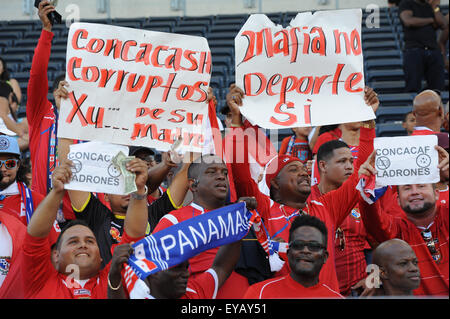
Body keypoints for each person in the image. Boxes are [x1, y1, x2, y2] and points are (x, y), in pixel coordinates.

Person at [226, 84, 377, 293]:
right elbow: (239, 173)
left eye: (303, 169)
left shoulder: (326, 207)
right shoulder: (265, 210)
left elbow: (361, 171)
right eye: (293, 169)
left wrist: (368, 121)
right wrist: (236, 121)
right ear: (275, 183)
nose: (304, 172)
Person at [22, 157, 147, 298]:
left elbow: (134, 236)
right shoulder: (40, 280)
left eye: (90, 241)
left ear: (101, 256)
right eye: (73, 241)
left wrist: (139, 189)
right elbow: (35, 237)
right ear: (56, 255)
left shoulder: (113, 278)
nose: (83, 245)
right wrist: (57, 191)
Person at [107, 184, 243, 299]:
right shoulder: (139, 294)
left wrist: (240, 218)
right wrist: (114, 274)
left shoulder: (193, 292)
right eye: (177, 269)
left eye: (185, 267)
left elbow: (221, 267)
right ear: (153, 272)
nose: (186, 274)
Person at [152, 154, 255, 298]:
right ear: (193, 184)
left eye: (224, 173)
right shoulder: (174, 221)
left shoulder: (243, 216)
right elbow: (154, 269)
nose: (221, 177)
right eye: (211, 172)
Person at [357, 146, 449, 296]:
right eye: (407, 188)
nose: (414, 191)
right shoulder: (397, 230)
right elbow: (373, 218)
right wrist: (367, 185)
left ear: (437, 194)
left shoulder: (446, 216)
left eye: (421, 186)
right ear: (398, 200)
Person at [26, 1, 74, 222]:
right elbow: (37, 75)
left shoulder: (87, 124)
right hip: (40, 211)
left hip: (77, 214)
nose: (67, 92)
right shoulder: (41, 114)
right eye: (63, 87)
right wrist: (46, 31)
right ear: (55, 92)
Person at [312, 139, 375, 296]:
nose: (349, 166)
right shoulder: (309, 200)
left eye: (351, 161)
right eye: (342, 161)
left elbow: (380, 243)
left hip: (359, 291)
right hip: (322, 291)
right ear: (323, 166)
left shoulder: (361, 198)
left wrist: (375, 277)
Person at [243, 214, 343, 298]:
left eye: (314, 246)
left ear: (325, 256)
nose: (305, 250)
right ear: (288, 253)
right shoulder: (259, 293)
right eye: (298, 245)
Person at [0, 135, 59, 242]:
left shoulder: (36, 200)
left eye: (10, 163)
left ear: (18, 165)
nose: (3, 169)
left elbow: (55, 244)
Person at [399, 0, 448, 92]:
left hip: (433, 50)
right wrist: (431, 20)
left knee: (438, 88)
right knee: (413, 87)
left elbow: (443, 24)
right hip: (414, 50)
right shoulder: (406, 4)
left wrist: (435, 8)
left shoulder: (430, 7)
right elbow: (408, 21)